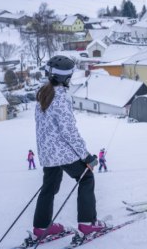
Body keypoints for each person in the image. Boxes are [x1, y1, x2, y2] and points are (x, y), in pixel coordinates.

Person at [32, 55, 107, 238]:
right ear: (66, 78)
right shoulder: (60, 98)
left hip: (48, 153)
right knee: (86, 177)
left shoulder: (43, 94)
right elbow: (69, 132)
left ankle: (41, 227)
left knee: (49, 187)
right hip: (63, 152)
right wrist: (86, 156)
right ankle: (87, 223)